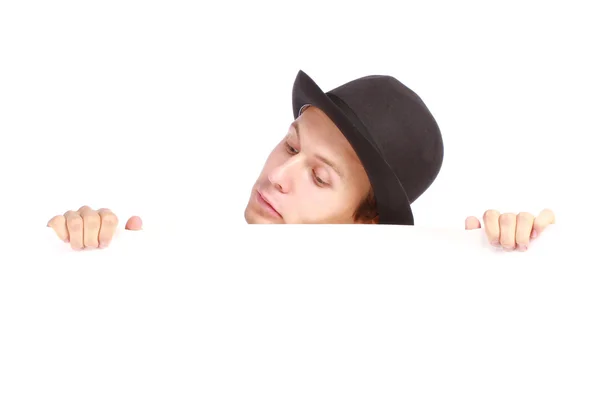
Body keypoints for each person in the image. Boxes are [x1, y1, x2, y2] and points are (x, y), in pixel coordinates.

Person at [47, 70, 555, 252]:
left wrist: (511, 261)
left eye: (318, 175)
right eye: (291, 146)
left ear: (368, 220)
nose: (278, 176)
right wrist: (91, 261)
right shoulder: (179, 266)